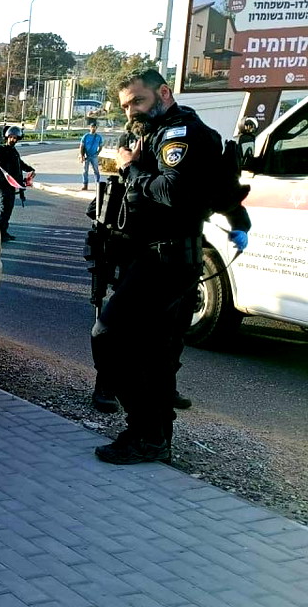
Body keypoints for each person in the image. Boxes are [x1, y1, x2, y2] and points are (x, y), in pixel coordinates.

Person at [90, 68, 250, 465]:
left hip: (165, 258)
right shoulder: (161, 132)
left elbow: (172, 191)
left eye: (138, 102)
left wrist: (131, 168)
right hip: (159, 257)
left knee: (108, 334)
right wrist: (239, 222)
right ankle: (152, 438)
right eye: (126, 106)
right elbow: (220, 190)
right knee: (156, 355)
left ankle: (145, 428)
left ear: (163, 92)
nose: (131, 112)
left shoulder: (181, 134)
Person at [0, 127, 33, 241]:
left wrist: (30, 169)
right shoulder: (2, 149)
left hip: (11, 185)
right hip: (4, 184)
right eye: (11, 137)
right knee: (5, 209)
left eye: (15, 138)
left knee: (9, 209)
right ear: (7, 137)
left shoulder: (13, 151)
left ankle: (3, 231)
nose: (13, 140)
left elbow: (20, 163)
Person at [79, 120, 105, 190]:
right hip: (86, 156)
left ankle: (97, 184)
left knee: (96, 170)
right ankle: (85, 185)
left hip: (94, 156)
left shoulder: (98, 137)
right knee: (85, 171)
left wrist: (98, 152)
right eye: (92, 127)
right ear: (90, 128)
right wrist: (81, 155)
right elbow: (81, 146)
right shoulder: (86, 136)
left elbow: (101, 145)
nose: (93, 128)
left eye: (94, 127)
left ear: (96, 128)